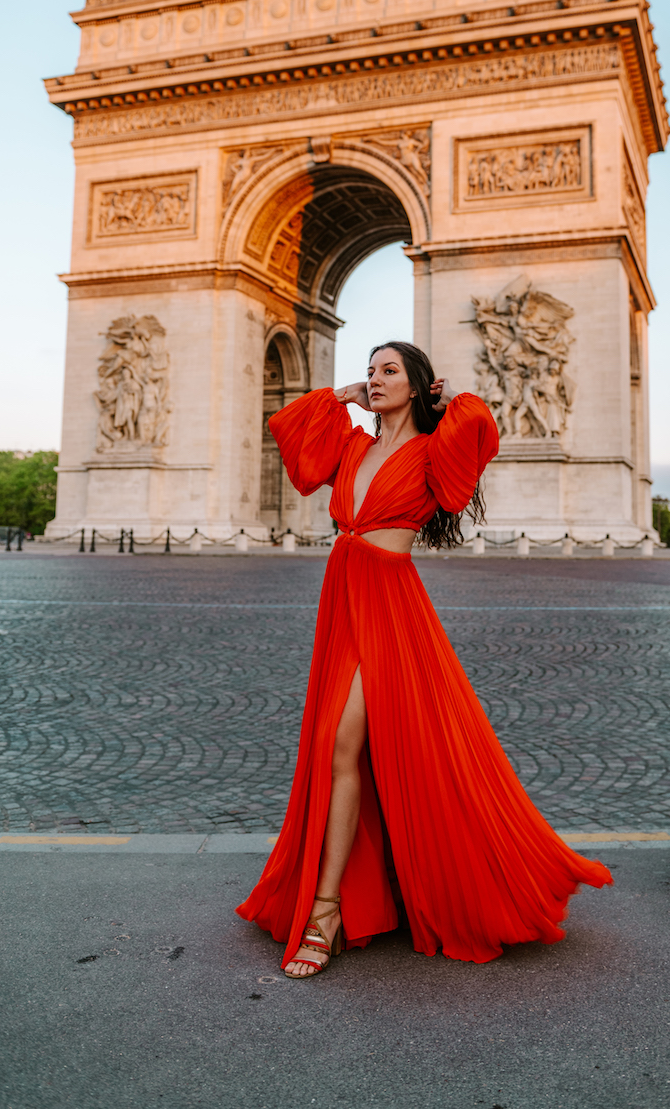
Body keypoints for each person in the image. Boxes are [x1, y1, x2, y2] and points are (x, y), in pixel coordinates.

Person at [236, 341, 611, 976]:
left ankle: (326, 909)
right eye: (371, 369)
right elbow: (291, 433)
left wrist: (447, 394)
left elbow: (480, 426)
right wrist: (343, 396)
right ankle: (337, 901)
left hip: (390, 602)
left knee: (341, 742)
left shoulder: (436, 456)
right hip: (344, 595)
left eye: (389, 372)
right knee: (342, 748)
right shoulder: (352, 446)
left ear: (416, 385)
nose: (375, 379)